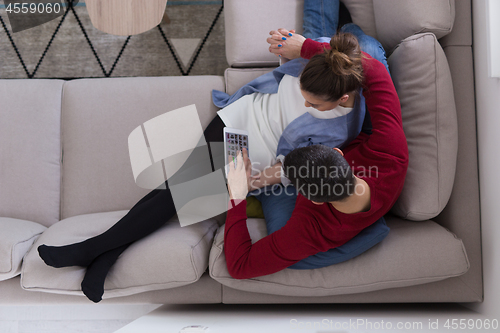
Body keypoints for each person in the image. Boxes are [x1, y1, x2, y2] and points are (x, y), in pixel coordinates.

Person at [37, 0, 389, 302]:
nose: (305, 100)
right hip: (239, 118)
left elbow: (302, 164)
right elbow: (305, 59)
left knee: (180, 193)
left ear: (343, 98)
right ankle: (99, 254)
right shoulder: (323, 60)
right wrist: (293, 49)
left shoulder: (341, 128)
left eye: (313, 103)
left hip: (259, 153)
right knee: (178, 189)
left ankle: (97, 253)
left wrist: (260, 178)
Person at [224, 35, 408, 277]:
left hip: (330, 229)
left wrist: (236, 197)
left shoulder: (311, 228)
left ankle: (373, 233)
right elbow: (371, 67)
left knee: (294, 257)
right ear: (337, 153)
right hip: (364, 154)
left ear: (311, 199)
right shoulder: (390, 151)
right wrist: (304, 47)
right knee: (367, 48)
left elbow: (240, 267)